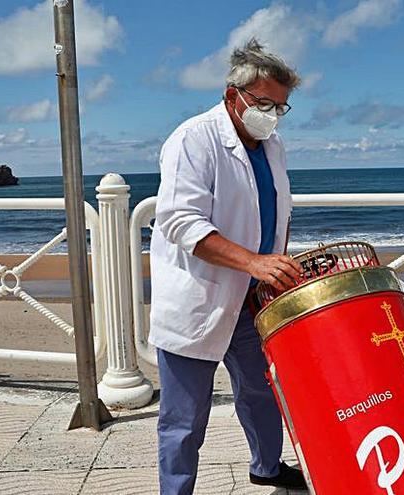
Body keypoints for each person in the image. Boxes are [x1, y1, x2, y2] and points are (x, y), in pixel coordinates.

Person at [149, 39, 306, 494]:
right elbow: (178, 220)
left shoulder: (272, 145)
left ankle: (267, 467)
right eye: (262, 103)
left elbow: (276, 211)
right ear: (231, 95)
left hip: (253, 300)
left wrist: (273, 262)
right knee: (184, 417)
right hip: (200, 299)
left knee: (262, 394)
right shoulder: (193, 139)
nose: (271, 114)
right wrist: (254, 262)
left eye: (280, 106)